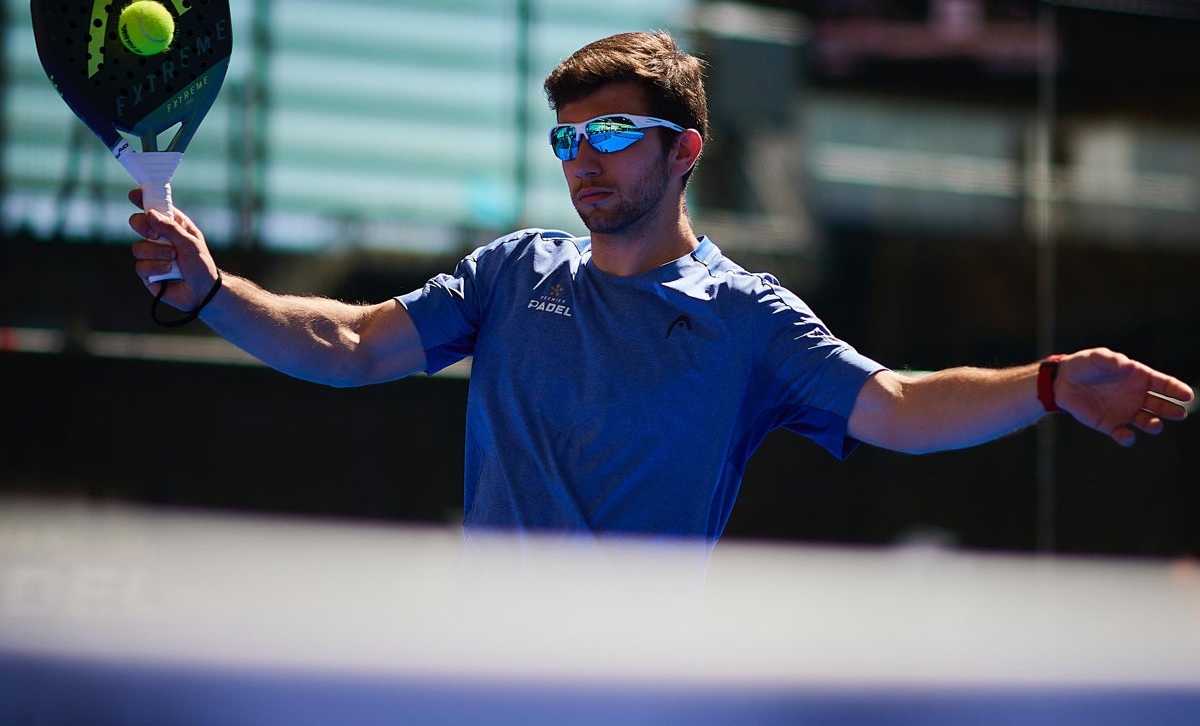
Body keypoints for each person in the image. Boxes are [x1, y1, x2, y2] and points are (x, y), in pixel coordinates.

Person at [128, 30, 1193, 542]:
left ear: (684, 151)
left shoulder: (748, 320)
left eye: (613, 135)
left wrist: (1047, 383)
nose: (583, 159)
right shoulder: (513, 274)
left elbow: (902, 409)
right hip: (472, 672)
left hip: (634, 686)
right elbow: (353, 345)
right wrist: (214, 288)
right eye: (568, 139)